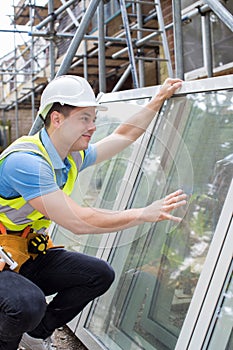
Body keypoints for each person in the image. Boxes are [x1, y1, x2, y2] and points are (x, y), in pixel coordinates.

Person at [0, 75, 186, 350]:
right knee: (26, 305)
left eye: (94, 118)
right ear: (57, 119)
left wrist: (157, 99)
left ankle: (36, 331)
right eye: (85, 118)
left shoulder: (70, 155)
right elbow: (77, 220)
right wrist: (142, 213)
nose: (93, 127)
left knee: (98, 274)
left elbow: (124, 134)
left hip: (23, 253)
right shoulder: (26, 162)